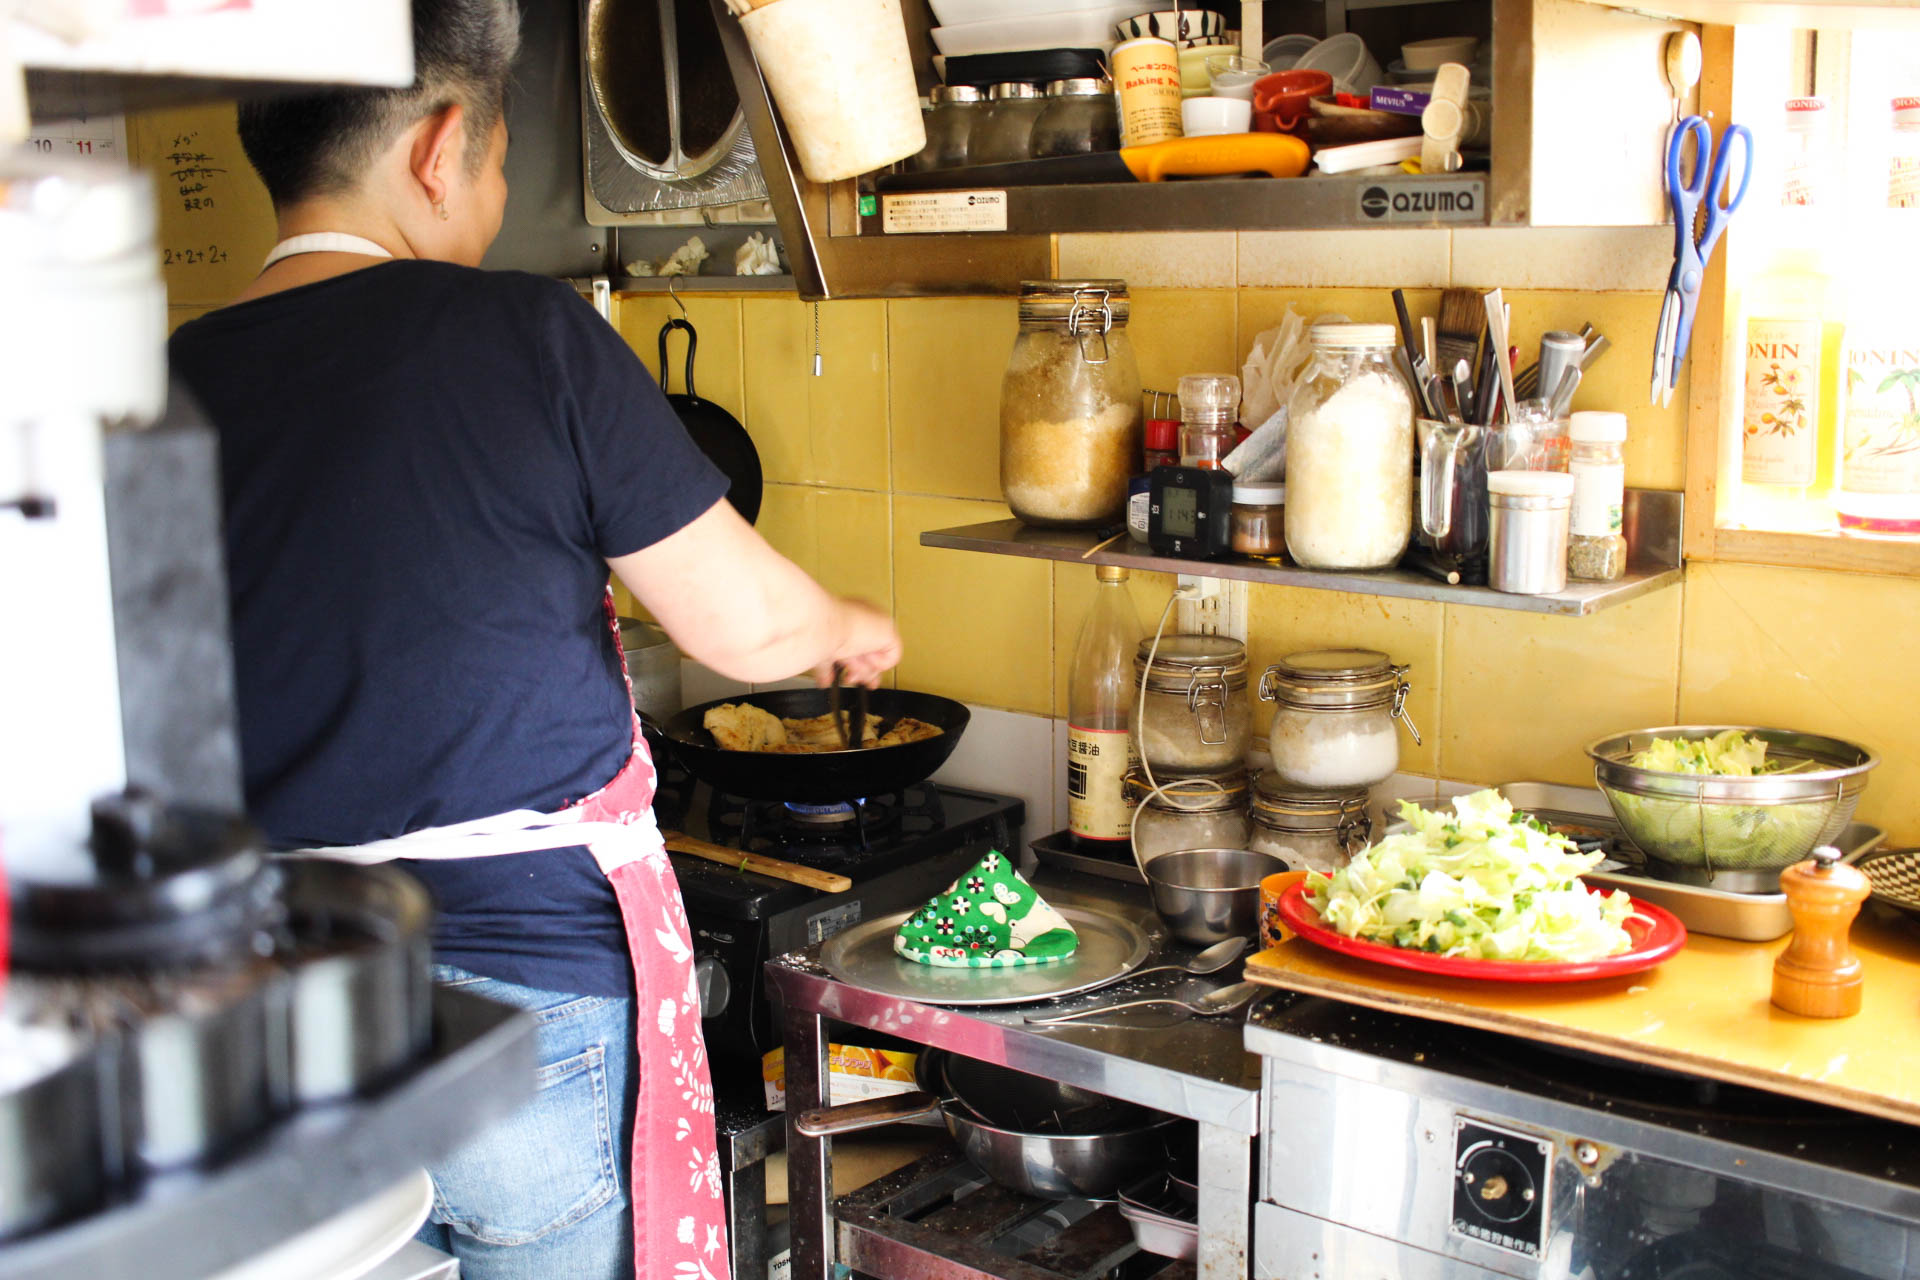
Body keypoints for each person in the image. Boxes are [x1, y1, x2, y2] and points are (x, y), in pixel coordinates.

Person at [166, 3, 899, 1277]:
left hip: (280, 1021)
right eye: (503, 165)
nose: (499, 198)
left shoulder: (168, 377)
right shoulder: (524, 331)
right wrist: (846, 626)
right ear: (442, 147)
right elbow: (746, 624)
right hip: (520, 1016)